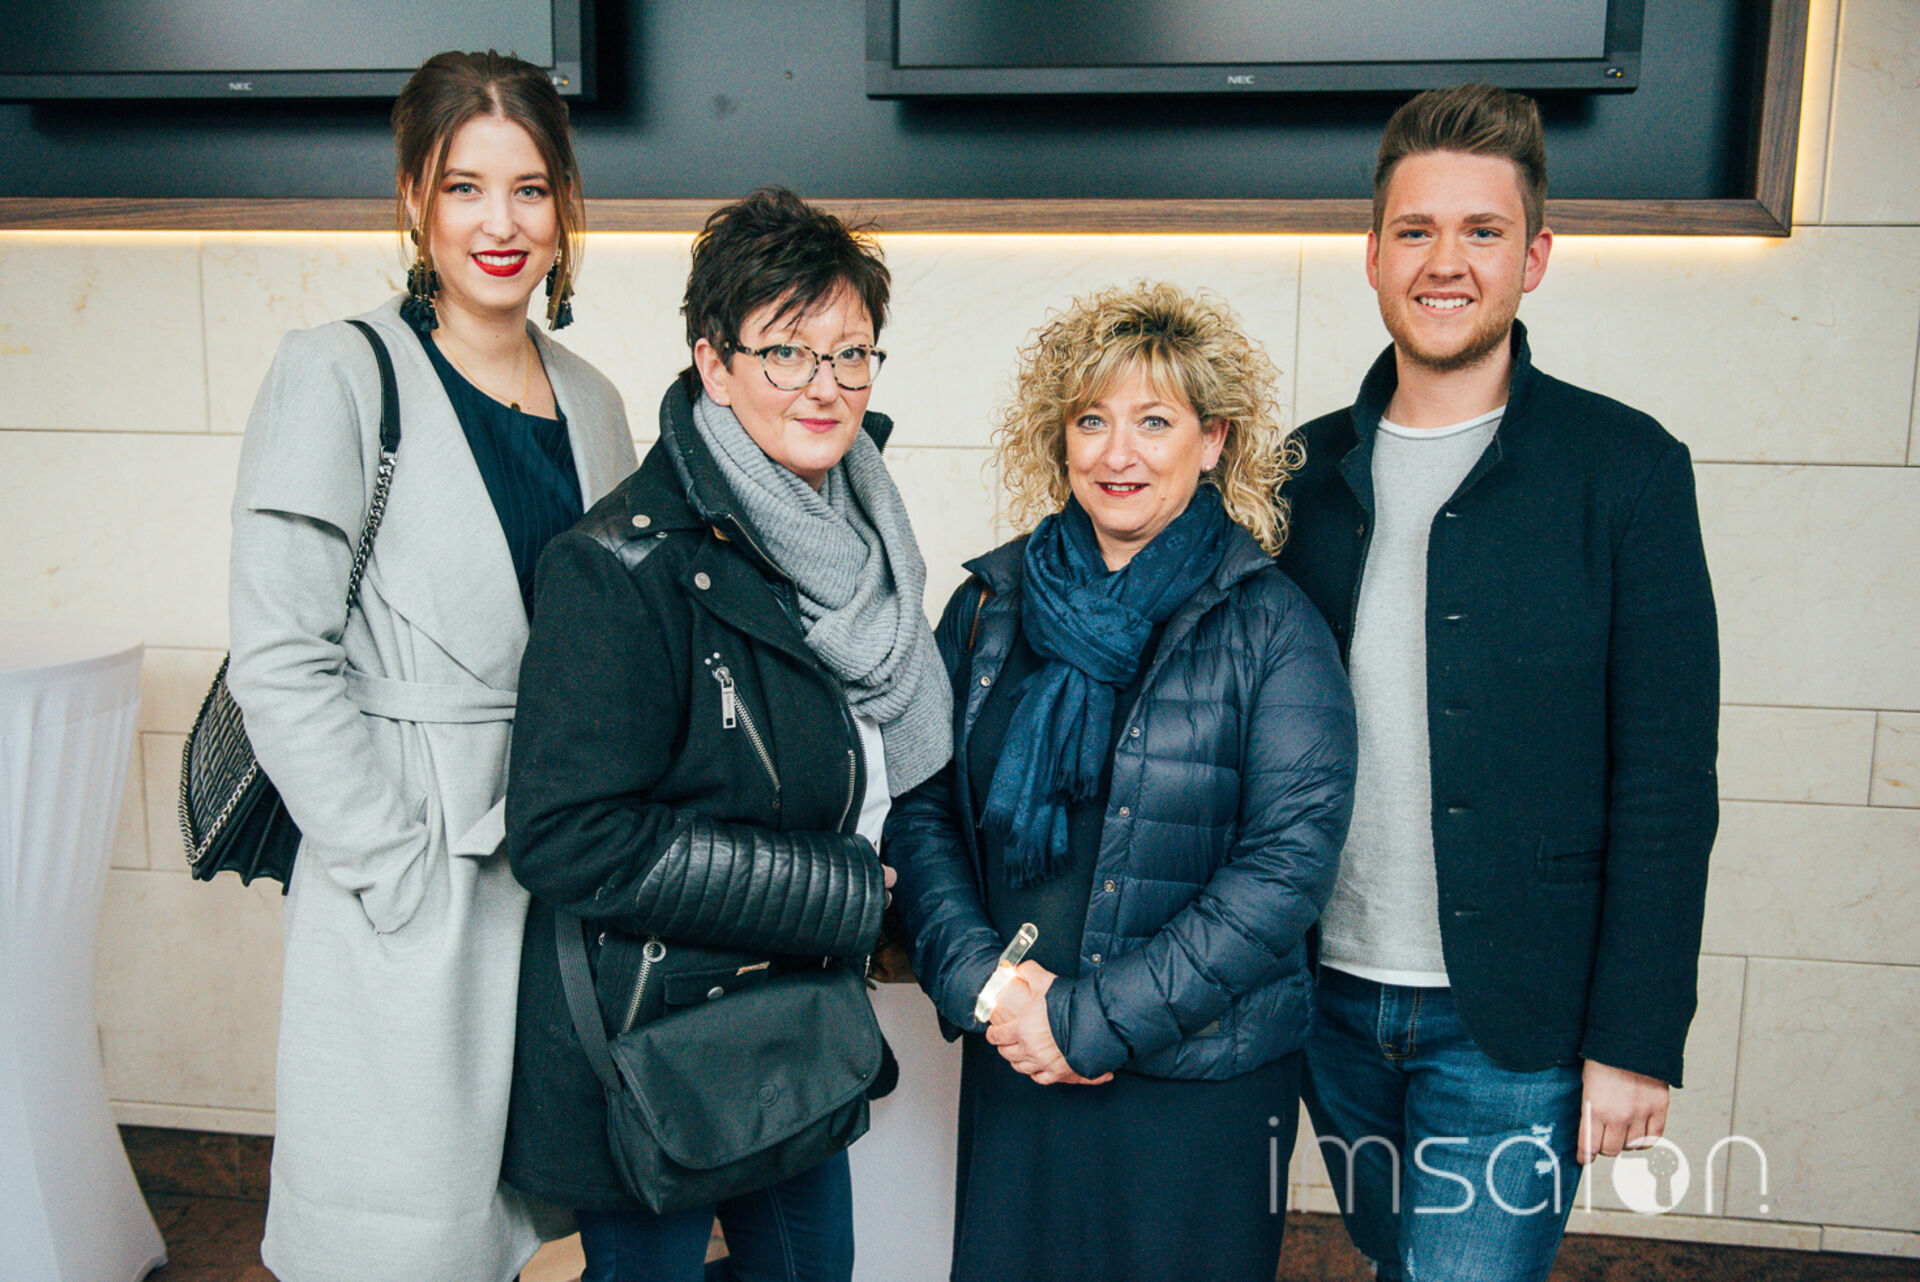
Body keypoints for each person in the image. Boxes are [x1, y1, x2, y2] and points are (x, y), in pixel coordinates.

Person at [1277, 83, 1720, 1282]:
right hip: (1326, 1000)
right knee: (1395, 1258)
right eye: (1416, 230)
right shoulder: (1298, 474)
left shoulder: (1625, 469)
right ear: (1373, 255)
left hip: (1517, 1022)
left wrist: (1637, 1036)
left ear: (1536, 258)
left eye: (1483, 231)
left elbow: (1668, 778)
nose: (1446, 262)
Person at [225, 50, 636, 1282]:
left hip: (557, 870)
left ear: (565, 204)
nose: (500, 224)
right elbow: (279, 657)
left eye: (529, 188)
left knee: (532, 1223)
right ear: (414, 199)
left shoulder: (595, 401)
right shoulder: (339, 371)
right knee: (399, 1239)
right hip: (418, 863)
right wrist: (389, 862)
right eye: (465, 187)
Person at [501, 187, 952, 1282]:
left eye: (851, 353)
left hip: (794, 1019)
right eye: (787, 352)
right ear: (713, 363)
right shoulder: (621, 567)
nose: (826, 386)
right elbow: (568, 837)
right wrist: (839, 891)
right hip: (653, 1037)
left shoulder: (860, 540)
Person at [885, 282, 1357, 1282]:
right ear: (1059, 438)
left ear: (1214, 439)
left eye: (1154, 421)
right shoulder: (989, 606)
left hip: (1200, 1089)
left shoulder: (1273, 625)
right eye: (1092, 420)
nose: (1117, 453)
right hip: (1018, 1059)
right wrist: (983, 984)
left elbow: (1286, 870)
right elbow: (923, 807)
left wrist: (1090, 1021)